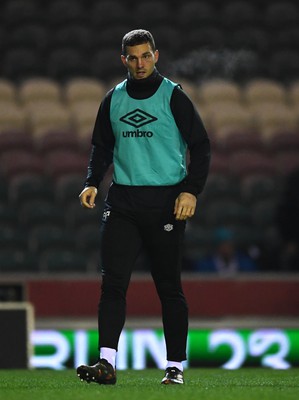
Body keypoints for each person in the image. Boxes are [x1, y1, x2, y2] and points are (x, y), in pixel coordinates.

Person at [76, 29, 210, 385]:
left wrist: (191, 191)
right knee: (113, 284)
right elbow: (101, 147)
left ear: (156, 55)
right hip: (123, 202)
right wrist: (91, 181)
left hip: (166, 203)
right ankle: (106, 364)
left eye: (145, 56)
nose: (140, 63)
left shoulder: (174, 97)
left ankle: (175, 367)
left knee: (168, 287)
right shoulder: (113, 99)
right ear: (124, 60)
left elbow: (201, 145)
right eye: (133, 57)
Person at [192, 227, 258, 275]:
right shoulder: (205, 266)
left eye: (228, 244)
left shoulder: (245, 264)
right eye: (223, 244)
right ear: (217, 247)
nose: (226, 248)